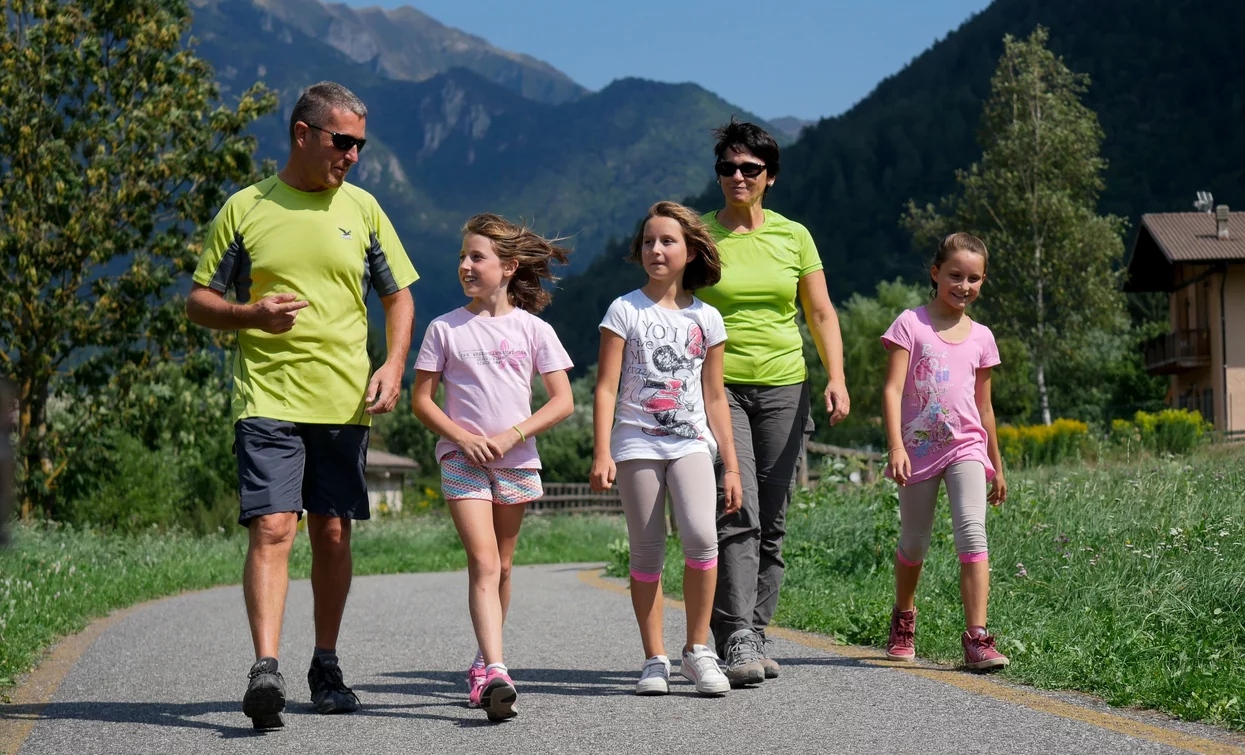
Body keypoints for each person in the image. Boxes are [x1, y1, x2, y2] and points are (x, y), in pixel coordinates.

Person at [186, 82, 418, 729]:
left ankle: (325, 662)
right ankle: (266, 668)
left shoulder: (365, 210)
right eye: (342, 141)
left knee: (333, 534)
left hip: (344, 402)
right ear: (302, 134)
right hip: (266, 395)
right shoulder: (245, 208)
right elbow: (199, 300)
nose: (353, 155)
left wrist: (394, 362)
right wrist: (248, 313)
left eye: (361, 146)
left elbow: (397, 296)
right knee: (272, 526)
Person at [696, 119, 849, 685]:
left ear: (770, 177)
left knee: (774, 520)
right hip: (718, 387)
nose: (737, 176)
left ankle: (754, 629)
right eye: (727, 168)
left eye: (749, 169)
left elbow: (822, 313)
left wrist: (837, 376)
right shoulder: (700, 235)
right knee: (737, 508)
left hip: (786, 384)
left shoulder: (794, 236)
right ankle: (734, 635)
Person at [411, 213, 575, 721]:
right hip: (462, 461)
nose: (465, 265)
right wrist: (461, 437)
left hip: (518, 461)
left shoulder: (534, 330)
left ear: (508, 266)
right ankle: (499, 672)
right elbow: (421, 400)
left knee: (503, 565)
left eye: (476, 257)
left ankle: (484, 660)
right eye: (462, 256)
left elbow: (562, 401)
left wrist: (512, 435)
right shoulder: (444, 329)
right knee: (483, 563)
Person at [591, 201, 743, 697]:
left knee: (702, 537)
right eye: (649, 241)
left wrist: (733, 467)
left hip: (692, 442)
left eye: (668, 240)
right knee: (648, 549)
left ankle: (698, 651)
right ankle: (654, 659)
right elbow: (606, 387)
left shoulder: (709, 318)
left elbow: (715, 396)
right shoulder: (624, 309)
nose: (656, 249)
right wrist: (602, 451)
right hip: (636, 443)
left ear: (691, 250)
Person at [880, 231, 1009, 671]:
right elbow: (893, 388)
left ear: (983, 281)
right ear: (936, 274)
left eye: (974, 279)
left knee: (973, 533)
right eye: (955, 275)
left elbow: (985, 407)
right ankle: (904, 617)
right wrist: (895, 445)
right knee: (914, 544)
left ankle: (977, 637)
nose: (964, 286)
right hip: (916, 450)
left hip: (967, 447)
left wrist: (997, 463)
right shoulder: (910, 324)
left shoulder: (983, 337)